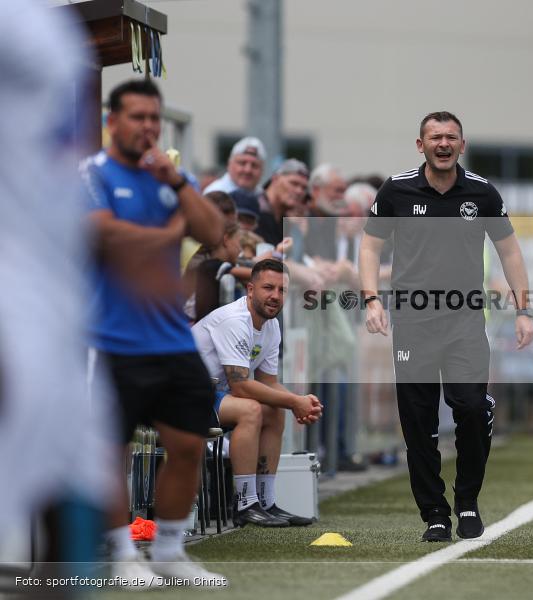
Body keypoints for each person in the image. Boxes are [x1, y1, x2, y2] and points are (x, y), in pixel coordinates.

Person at [359, 111, 533, 541]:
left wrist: (523, 311)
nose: (443, 143)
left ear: (463, 144)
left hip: (464, 321)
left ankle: (468, 500)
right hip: (413, 322)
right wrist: (371, 300)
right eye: (434, 137)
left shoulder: (482, 193)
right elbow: (369, 248)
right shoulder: (397, 190)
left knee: (471, 408)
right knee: (418, 421)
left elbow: (510, 253)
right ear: (420, 144)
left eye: (450, 137)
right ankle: (435, 513)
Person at [83, 78, 227, 587]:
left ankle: (168, 550)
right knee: (111, 454)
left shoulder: (169, 178)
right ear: (112, 121)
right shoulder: (94, 174)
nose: (147, 127)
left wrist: (181, 184)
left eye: (153, 118)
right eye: (137, 116)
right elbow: (107, 234)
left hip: (171, 339)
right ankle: (122, 553)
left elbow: (214, 235)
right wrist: (169, 232)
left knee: (187, 446)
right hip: (112, 340)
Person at [0, 1, 118, 589]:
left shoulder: (39, 30)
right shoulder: (36, 29)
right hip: (29, 292)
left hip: (44, 295)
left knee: (73, 471)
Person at [192, 260, 323, 527]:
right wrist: (293, 401)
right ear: (250, 290)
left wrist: (301, 403)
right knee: (250, 409)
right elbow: (240, 385)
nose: (275, 295)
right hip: (185, 395)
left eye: (282, 290)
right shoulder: (234, 320)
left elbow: (268, 383)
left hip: (213, 395)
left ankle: (266, 502)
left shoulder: (271, 325)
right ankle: (245, 504)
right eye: (268, 288)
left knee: (274, 410)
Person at [257, 158, 310, 246]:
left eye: (304, 188)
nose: (299, 191)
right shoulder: (253, 210)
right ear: (275, 179)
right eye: (294, 183)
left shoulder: (288, 221)